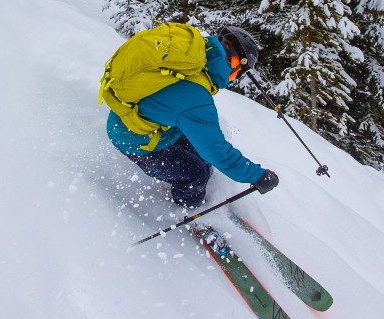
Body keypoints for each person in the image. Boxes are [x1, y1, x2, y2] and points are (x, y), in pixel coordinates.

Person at [106, 25, 279, 208]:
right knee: (196, 174)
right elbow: (217, 151)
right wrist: (258, 176)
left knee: (199, 153)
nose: (235, 78)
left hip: (131, 118)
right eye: (239, 70)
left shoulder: (192, 60)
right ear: (233, 62)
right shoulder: (196, 98)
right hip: (133, 139)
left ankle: (196, 186)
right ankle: (188, 211)